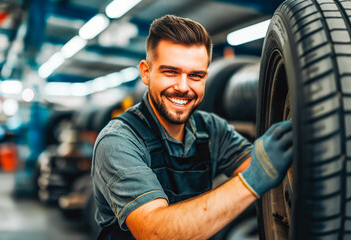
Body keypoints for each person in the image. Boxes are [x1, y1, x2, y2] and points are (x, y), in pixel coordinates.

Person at [91, 15, 293, 240]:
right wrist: (255, 177)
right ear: (146, 72)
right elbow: (153, 232)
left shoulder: (211, 130)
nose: (183, 87)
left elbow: (268, 168)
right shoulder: (119, 140)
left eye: (195, 75)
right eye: (171, 72)